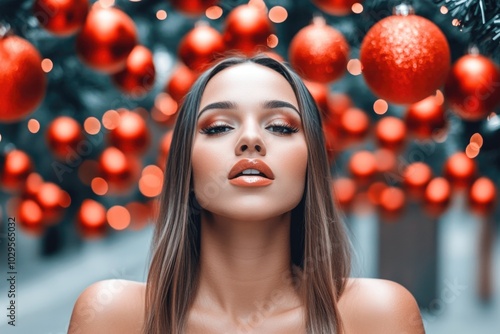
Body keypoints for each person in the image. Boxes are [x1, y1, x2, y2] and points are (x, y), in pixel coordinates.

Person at [68, 54, 425, 334]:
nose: (251, 139)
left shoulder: (380, 316)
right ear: (185, 164)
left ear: (311, 160)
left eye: (281, 127)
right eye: (220, 126)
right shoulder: (110, 316)